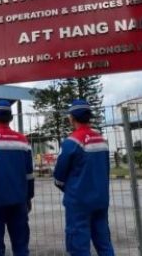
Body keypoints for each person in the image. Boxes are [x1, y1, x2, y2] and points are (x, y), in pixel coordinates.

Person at [53, 99, 114, 256]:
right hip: (101, 199)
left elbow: (59, 176)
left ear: (72, 118)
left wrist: (69, 189)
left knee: (78, 246)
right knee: (104, 243)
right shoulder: (101, 140)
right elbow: (105, 169)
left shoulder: (71, 142)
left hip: (78, 202)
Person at [0, 100, 34, 256]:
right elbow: (29, 174)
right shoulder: (22, 141)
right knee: (21, 247)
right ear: (11, 118)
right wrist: (29, 196)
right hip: (19, 202)